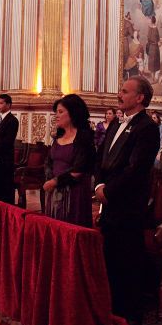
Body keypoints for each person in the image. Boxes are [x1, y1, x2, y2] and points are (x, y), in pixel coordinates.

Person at [94, 76, 160, 325]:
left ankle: (130, 312)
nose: (119, 94)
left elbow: (136, 169)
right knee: (110, 254)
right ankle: (112, 304)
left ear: (140, 97)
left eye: (124, 91)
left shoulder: (147, 127)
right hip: (110, 200)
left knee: (128, 257)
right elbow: (101, 158)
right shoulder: (115, 124)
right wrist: (99, 184)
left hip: (129, 204)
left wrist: (109, 190)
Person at [43, 95, 95, 227]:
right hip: (54, 190)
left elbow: (80, 169)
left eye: (60, 112)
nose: (56, 116)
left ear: (73, 113)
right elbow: (49, 161)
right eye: (56, 112)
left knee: (70, 228)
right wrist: (50, 177)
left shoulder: (84, 137)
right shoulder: (58, 137)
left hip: (74, 193)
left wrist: (55, 181)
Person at [0, 94, 19, 205]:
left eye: (1, 103)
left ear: (8, 105)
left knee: (5, 189)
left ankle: (7, 212)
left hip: (5, 159)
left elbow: (7, 141)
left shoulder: (12, 120)